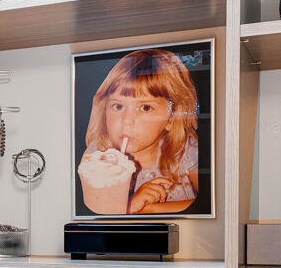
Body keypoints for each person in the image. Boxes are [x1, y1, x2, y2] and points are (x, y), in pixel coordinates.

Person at [77, 48, 200, 215]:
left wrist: (146, 209)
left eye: (145, 107)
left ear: (172, 117)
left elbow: (209, 205)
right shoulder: (99, 156)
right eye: (118, 106)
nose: (127, 120)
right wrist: (130, 206)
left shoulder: (184, 149)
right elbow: (97, 212)